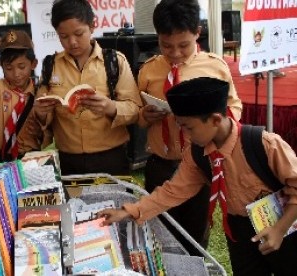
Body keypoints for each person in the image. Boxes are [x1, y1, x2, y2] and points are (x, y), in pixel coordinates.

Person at [99, 77, 297, 276]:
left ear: (216, 120)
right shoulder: (198, 154)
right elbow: (174, 190)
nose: (185, 134)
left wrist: (279, 229)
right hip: (239, 232)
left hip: (284, 224)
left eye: (188, 127)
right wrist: (130, 211)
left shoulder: (263, 144)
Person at [136, 0, 242, 253]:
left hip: (200, 163)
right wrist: (145, 115)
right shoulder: (149, 70)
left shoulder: (214, 67)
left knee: (194, 237)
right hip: (161, 164)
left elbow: (234, 107)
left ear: (197, 31)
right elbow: (137, 117)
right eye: (166, 45)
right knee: (158, 234)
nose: (174, 53)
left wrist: (216, 121)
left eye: (183, 45)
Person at [32, 0, 142, 176]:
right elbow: (41, 115)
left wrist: (110, 107)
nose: (72, 42)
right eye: (64, 36)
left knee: (114, 203)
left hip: (110, 158)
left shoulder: (114, 61)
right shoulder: (50, 65)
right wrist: (40, 112)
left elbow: (135, 109)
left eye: (78, 33)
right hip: (68, 160)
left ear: (92, 26)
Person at [0, 30, 45, 162]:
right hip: (1, 157)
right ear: (2, 67)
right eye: (9, 68)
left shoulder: (39, 93)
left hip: (30, 157)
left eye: (21, 66)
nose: (16, 73)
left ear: (33, 64)